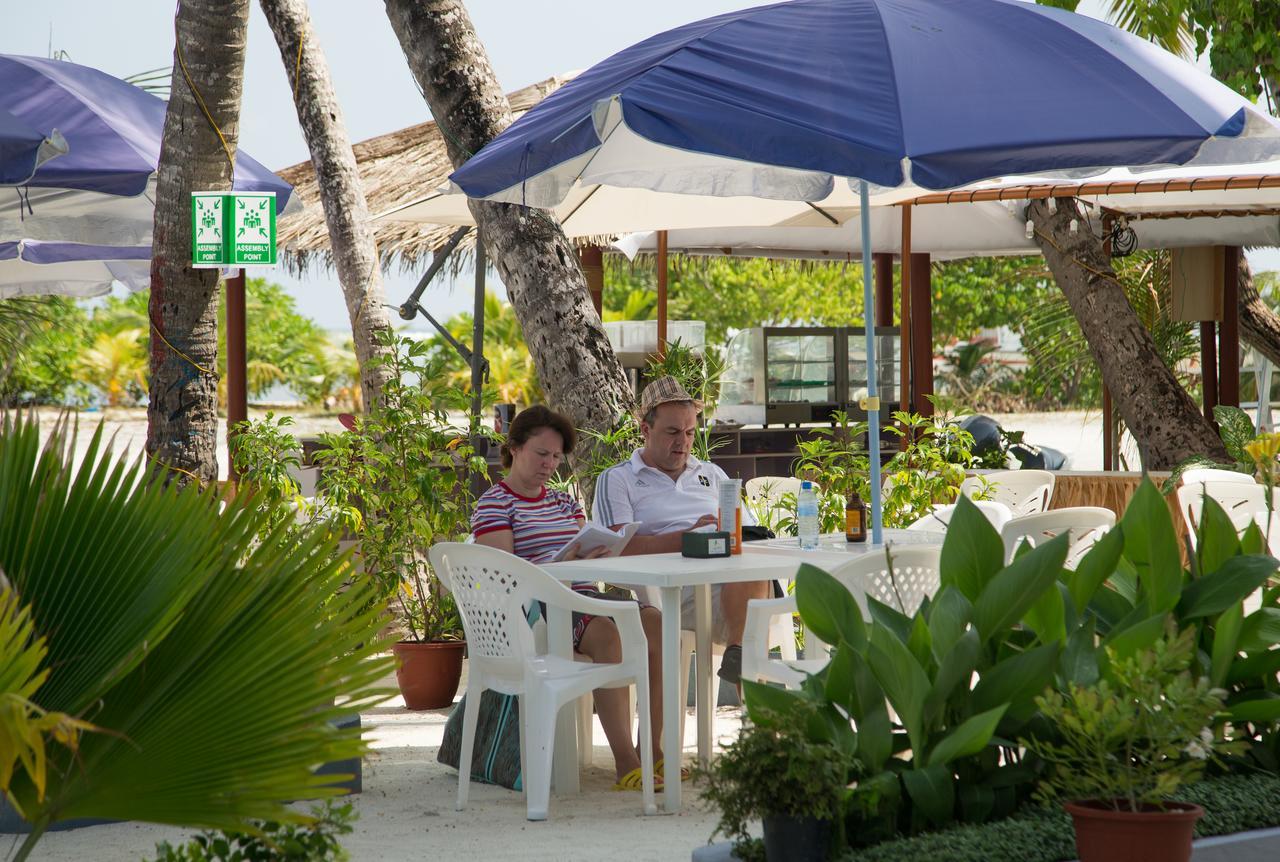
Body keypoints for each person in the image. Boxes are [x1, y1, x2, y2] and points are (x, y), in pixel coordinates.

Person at [471, 405, 670, 790]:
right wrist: (564, 561)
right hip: (538, 610)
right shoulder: (496, 503)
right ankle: (625, 762)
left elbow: (582, 547)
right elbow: (504, 577)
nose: (550, 464)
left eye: (557, 457)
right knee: (608, 635)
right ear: (514, 448)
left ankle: (653, 751)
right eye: (541, 454)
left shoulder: (563, 502)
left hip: (581, 596)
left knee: (656, 624)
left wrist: (598, 554)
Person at [591, 377, 774, 686]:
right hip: (674, 594)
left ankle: (738, 655)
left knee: (750, 571)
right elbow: (615, 550)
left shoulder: (711, 473)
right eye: (673, 432)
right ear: (646, 430)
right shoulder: (618, 479)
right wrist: (684, 540)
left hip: (733, 583)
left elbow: (747, 532)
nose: (684, 442)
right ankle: (747, 677)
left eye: (690, 432)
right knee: (753, 615)